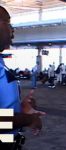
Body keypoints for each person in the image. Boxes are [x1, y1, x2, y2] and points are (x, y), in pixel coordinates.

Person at [0, 6, 45, 149]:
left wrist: (20, 108)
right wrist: (28, 120)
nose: (12, 30)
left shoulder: (1, 63)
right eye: (8, 23)